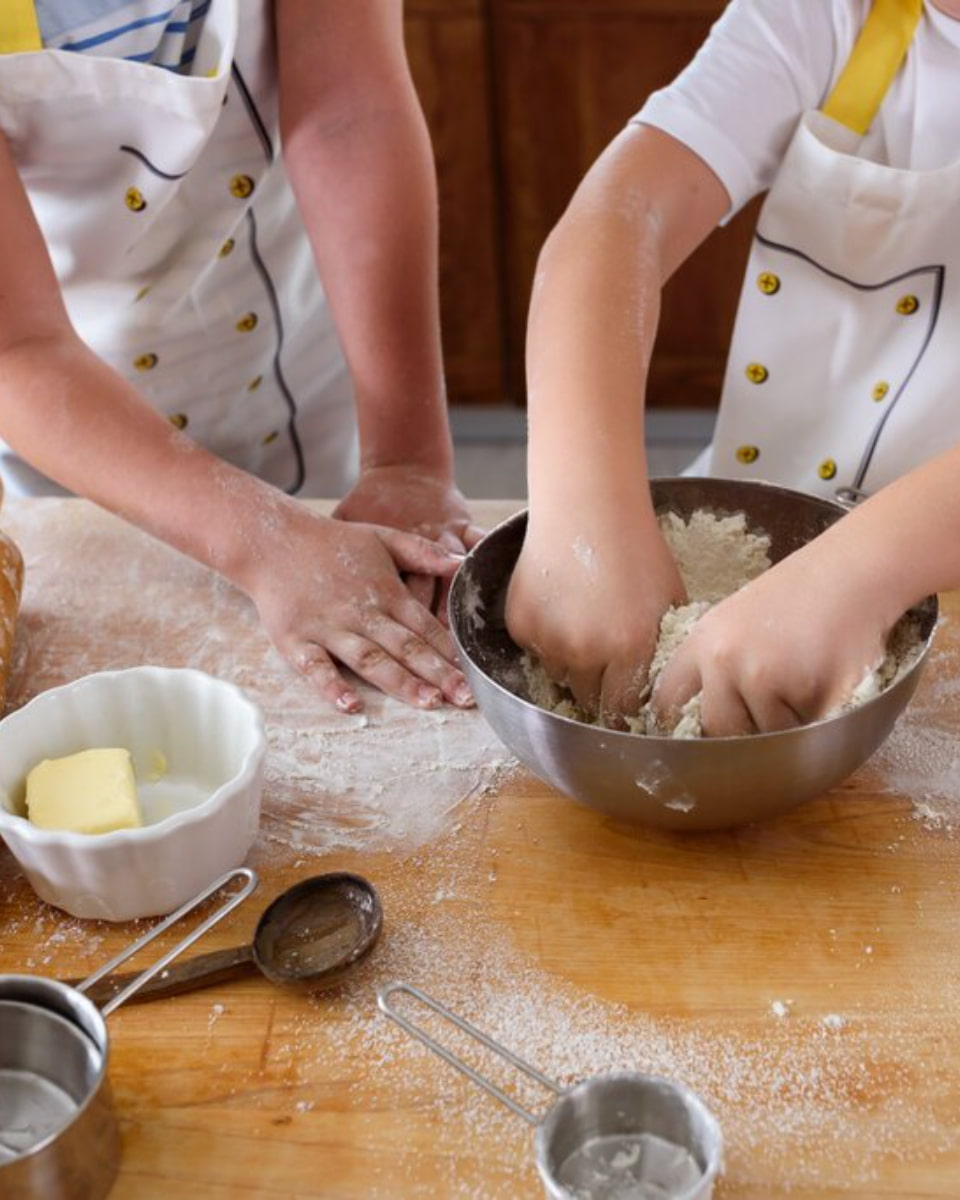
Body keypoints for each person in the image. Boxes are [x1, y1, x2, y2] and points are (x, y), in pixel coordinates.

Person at [0, 0, 481, 715]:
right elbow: (18, 342)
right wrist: (265, 541)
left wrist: (406, 460)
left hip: (308, 351)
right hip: (83, 433)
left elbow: (351, 111)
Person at [506, 0, 960, 737]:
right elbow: (622, 214)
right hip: (771, 512)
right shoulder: (826, 16)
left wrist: (862, 570)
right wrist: (583, 512)